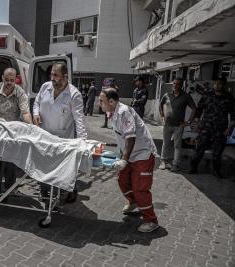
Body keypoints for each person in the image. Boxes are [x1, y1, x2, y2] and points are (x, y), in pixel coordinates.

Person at [99, 87, 159, 233]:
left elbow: (130, 137)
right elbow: (122, 136)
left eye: (102, 100)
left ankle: (151, 220)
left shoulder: (123, 111)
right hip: (130, 154)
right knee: (122, 179)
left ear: (112, 101)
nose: (99, 103)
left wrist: (124, 160)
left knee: (140, 188)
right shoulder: (112, 113)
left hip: (142, 154)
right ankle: (133, 202)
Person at [33, 62, 87, 203]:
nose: (52, 78)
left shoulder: (74, 94)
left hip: (63, 138)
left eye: (56, 75)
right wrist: (36, 113)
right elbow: (37, 102)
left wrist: (83, 142)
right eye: (51, 74)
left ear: (65, 76)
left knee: (64, 168)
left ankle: (70, 190)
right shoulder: (46, 87)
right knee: (44, 165)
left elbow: (79, 120)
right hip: (44, 135)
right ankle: (45, 192)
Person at [188, 77, 235, 178]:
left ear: (224, 85)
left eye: (220, 84)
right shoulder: (208, 94)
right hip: (205, 127)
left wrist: (229, 129)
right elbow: (199, 109)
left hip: (220, 129)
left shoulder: (229, 97)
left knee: (217, 151)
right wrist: (196, 122)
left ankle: (215, 170)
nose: (217, 86)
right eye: (216, 83)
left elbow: (233, 115)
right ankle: (193, 167)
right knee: (199, 148)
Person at [159, 78, 196, 172]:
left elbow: (194, 109)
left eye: (178, 84)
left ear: (181, 85)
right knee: (166, 144)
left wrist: (188, 122)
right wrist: (162, 116)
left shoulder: (186, 96)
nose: (175, 85)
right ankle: (164, 161)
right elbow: (161, 105)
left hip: (178, 126)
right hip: (167, 125)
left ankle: (176, 164)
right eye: (174, 83)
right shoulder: (167, 95)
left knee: (177, 146)